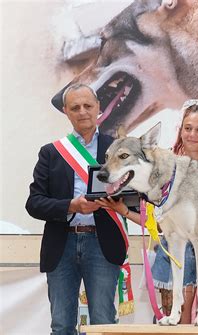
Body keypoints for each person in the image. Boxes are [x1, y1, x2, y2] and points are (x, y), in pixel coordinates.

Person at [97, 99, 198, 325]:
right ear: (180, 130)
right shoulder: (159, 170)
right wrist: (123, 210)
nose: (192, 134)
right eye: (187, 128)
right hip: (175, 252)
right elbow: (157, 222)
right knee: (178, 324)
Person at [25, 84, 127, 334]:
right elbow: (34, 203)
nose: (82, 112)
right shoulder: (51, 153)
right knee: (61, 325)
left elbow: (137, 193)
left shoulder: (119, 148)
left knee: (103, 322)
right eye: (75, 107)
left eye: (88, 106)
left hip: (102, 244)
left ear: (99, 108)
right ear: (66, 112)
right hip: (62, 244)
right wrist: (71, 205)